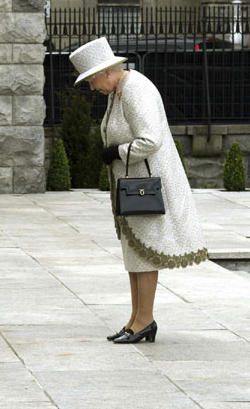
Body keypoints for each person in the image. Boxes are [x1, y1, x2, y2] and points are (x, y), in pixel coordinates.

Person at [69, 37, 208, 343]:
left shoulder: (135, 89)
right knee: (134, 253)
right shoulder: (118, 91)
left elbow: (151, 139)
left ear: (107, 71)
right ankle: (136, 319)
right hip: (130, 185)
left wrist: (117, 152)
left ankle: (144, 320)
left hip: (145, 185)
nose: (92, 87)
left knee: (144, 254)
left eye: (91, 80)